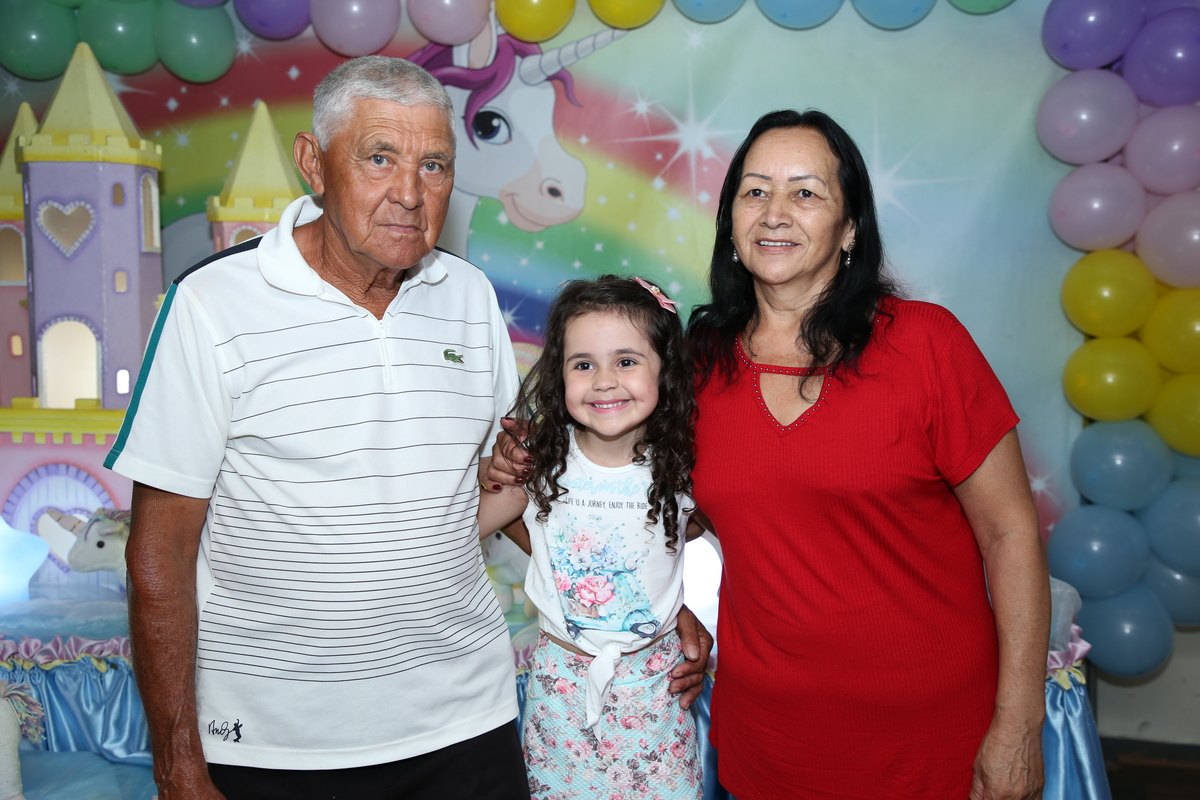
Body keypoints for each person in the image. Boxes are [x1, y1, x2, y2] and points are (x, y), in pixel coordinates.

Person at [105, 56, 710, 800]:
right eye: (379, 158)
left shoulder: (468, 296)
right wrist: (176, 765)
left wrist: (645, 606)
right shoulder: (211, 305)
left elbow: (515, 490)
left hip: (466, 725)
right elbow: (159, 548)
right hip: (274, 743)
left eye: (435, 165)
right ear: (313, 163)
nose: (410, 193)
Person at [488, 108, 1050, 800]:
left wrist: (1020, 722)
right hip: (768, 741)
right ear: (730, 222)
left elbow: (1010, 532)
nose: (775, 212)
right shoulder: (691, 371)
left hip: (932, 738)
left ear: (850, 227)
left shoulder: (927, 344)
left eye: (805, 192)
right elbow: (623, 513)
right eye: (754, 191)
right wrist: (652, 611)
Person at [478, 276, 705, 800]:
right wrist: (483, 470)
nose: (604, 381)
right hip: (560, 699)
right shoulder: (539, 466)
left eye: (626, 361)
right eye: (583, 364)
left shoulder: (687, 469)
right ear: (559, 375)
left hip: (658, 696)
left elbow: (747, 542)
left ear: (666, 370)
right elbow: (451, 530)